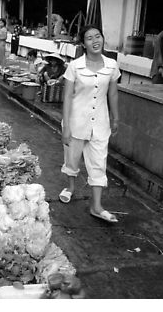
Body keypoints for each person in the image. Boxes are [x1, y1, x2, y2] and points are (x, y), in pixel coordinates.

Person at [59, 24, 120, 223]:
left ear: (103, 38)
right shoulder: (75, 66)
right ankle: (70, 187)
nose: (95, 41)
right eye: (89, 38)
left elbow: (112, 93)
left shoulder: (111, 65)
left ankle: (96, 206)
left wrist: (115, 116)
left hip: (100, 124)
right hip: (76, 121)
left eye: (98, 36)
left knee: (98, 163)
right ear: (83, 44)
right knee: (72, 159)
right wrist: (66, 126)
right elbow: (67, 96)